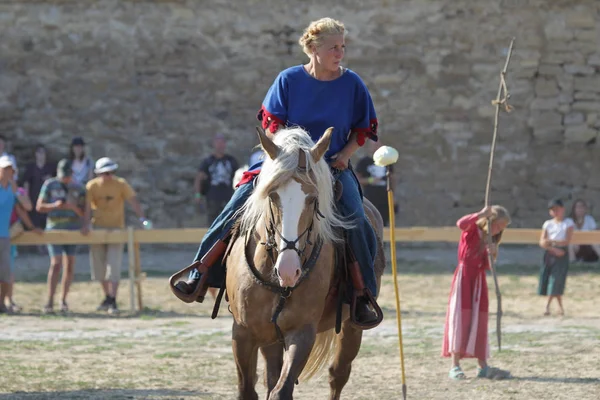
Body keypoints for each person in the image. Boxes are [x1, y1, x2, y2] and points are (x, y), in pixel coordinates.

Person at [174, 17, 381, 325]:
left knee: (357, 220)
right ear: (313, 48)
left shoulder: (352, 83)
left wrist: (343, 157)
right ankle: (200, 271)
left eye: (342, 47)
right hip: (283, 163)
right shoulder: (288, 80)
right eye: (333, 47)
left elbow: (362, 131)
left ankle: (363, 293)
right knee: (236, 205)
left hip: (331, 167)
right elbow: (272, 127)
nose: (340, 53)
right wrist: (286, 157)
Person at [442, 205, 512, 380]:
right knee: (461, 318)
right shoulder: (472, 230)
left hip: (479, 283)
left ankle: (483, 366)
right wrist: (480, 214)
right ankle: (455, 365)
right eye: (497, 226)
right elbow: (460, 223)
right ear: (490, 220)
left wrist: (491, 255)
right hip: (464, 279)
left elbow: (486, 266)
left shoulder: (491, 241)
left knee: (478, 320)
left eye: (501, 229)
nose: (498, 231)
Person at [82, 157, 149, 314]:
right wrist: (86, 224)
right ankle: (108, 297)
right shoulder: (91, 186)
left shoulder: (121, 184)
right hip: (98, 229)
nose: (108, 175)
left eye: (111, 172)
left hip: (116, 229)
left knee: (114, 266)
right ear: (98, 173)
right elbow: (87, 208)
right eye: (105, 173)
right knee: (98, 268)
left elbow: (133, 200)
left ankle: (113, 299)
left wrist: (143, 219)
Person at [36, 159, 86, 314]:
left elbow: (85, 213)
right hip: (54, 228)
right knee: (56, 263)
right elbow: (39, 207)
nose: (64, 178)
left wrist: (72, 206)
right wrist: (54, 206)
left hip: (72, 229)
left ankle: (63, 300)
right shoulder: (50, 185)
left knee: (70, 264)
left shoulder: (79, 188)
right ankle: (49, 300)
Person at [0, 156, 42, 313]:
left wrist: (32, 227)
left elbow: (23, 209)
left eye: (9, 169)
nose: (6, 172)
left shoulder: (12, 190)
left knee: (5, 274)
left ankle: (2, 304)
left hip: (4, 236)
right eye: (4, 169)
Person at [538, 198, 574, 316]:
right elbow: (542, 241)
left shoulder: (568, 223)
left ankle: (547, 307)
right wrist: (552, 247)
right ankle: (559, 308)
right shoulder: (548, 224)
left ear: (562, 209)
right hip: (550, 253)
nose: (555, 212)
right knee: (550, 278)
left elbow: (566, 241)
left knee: (557, 279)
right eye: (553, 210)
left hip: (561, 253)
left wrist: (551, 242)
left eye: (557, 209)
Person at [194, 134, 239, 223]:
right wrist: (198, 195)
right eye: (218, 143)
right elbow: (199, 178)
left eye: (222, 143)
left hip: (228, 195)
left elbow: (239, 177)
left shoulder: (231, 161)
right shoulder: (208, 161)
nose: (220, 145)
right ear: (214, 144)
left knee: (229, 220)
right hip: (212, 196)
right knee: (213, 220)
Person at [7, 180, 37, 313]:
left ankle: (9, 300)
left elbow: (27, 207)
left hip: (9, 233)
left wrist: (16, 192)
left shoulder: (18, 191)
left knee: (9, 268)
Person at [355, 139, 396, 226]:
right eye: (374, 145)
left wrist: (393, 196)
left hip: (384, 197)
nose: (376, 147)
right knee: (370, 221)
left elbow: (392, 179)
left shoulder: (387, 162)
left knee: (384, 222)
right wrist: (370, 180)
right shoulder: (364, 162)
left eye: (378, 145)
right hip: (371, 197)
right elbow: (357, 180)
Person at [21, 144, 55, 231]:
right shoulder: (30, 168)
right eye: (39, 152)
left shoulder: (50, 168)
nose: (41, 155)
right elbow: (26, 185)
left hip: (47, 202)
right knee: (34, 227)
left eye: (43, 152)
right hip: (33, 201)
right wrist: (26, 200)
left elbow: (56, 184)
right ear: (35, 154)